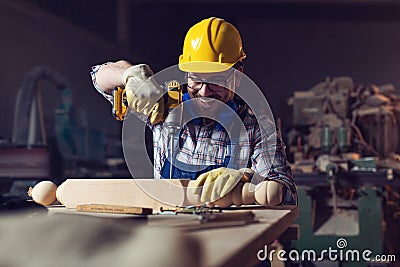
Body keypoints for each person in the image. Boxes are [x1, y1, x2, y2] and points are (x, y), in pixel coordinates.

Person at [90, 17, 297, 206]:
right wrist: (129, 74)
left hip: (228, 233)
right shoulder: (164, 108)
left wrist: (248, 178)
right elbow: (99, 78)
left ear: (237, 75)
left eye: (216, 81)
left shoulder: (257, 128)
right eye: (196, 79)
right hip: (168, 227)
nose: (204, 91)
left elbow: (287, 194)